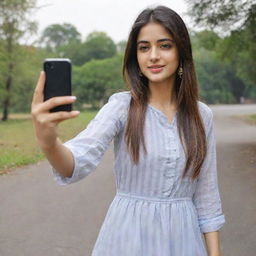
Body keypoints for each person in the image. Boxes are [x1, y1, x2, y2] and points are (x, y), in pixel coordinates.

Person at [31, 5, 226, 256]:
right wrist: (48, 141)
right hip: (127, 239)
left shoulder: (202, 116)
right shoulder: (122, 107)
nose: (153, 55)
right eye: (144, 48)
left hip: (184, 241)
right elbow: (76, 162)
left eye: (164, 45)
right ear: (135, 56)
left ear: (181, 52)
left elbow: (207, 199)